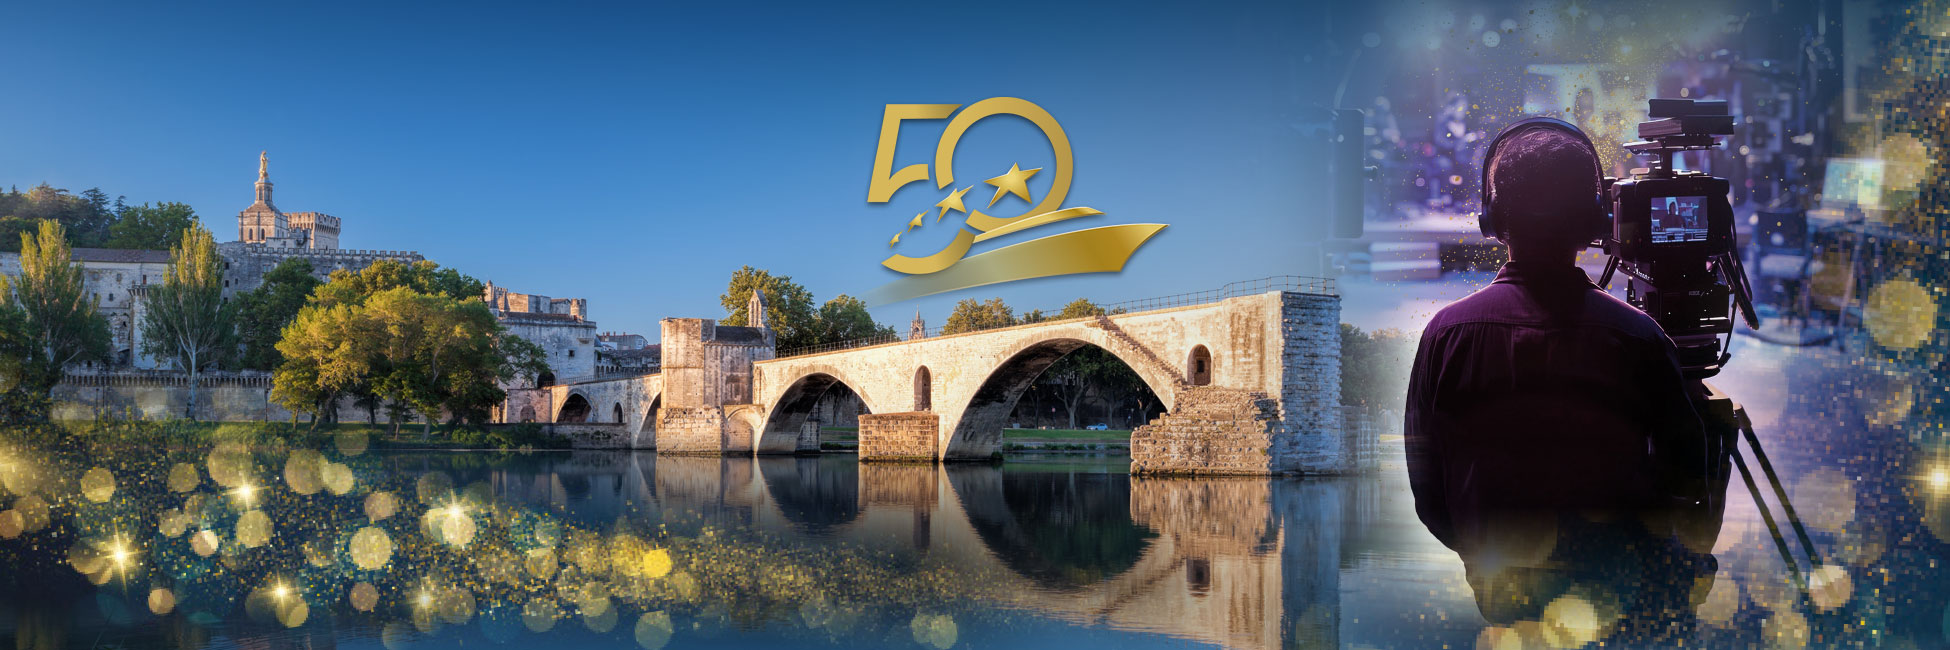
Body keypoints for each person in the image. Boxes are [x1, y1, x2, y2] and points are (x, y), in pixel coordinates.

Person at [1403, 120, 1719, 636]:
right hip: (1619, 602)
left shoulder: (1445, 335)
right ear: (1594, 221)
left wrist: (1492, 553)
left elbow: (1429, 493)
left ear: (1493, 220)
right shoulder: (1639, 338)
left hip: (1501, 595)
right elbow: (1688, 486)